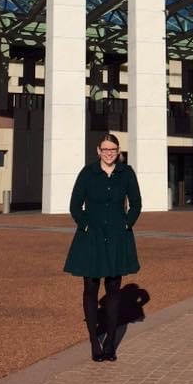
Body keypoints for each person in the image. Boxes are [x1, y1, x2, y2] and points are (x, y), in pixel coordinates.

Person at [63, 133, 142, 362]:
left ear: (118, 151)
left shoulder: (126, 173)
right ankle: (94, 343)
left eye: (113, 150)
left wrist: (127, 223)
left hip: (117, 236)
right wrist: (85, 225)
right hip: (91, 237)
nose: (109, 153)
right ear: (98, 151)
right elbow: (75, 205)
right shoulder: (87, 173)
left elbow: (136, 203)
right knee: (90, 287)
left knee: (114, 288)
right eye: (105, 149)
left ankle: (109, 344)